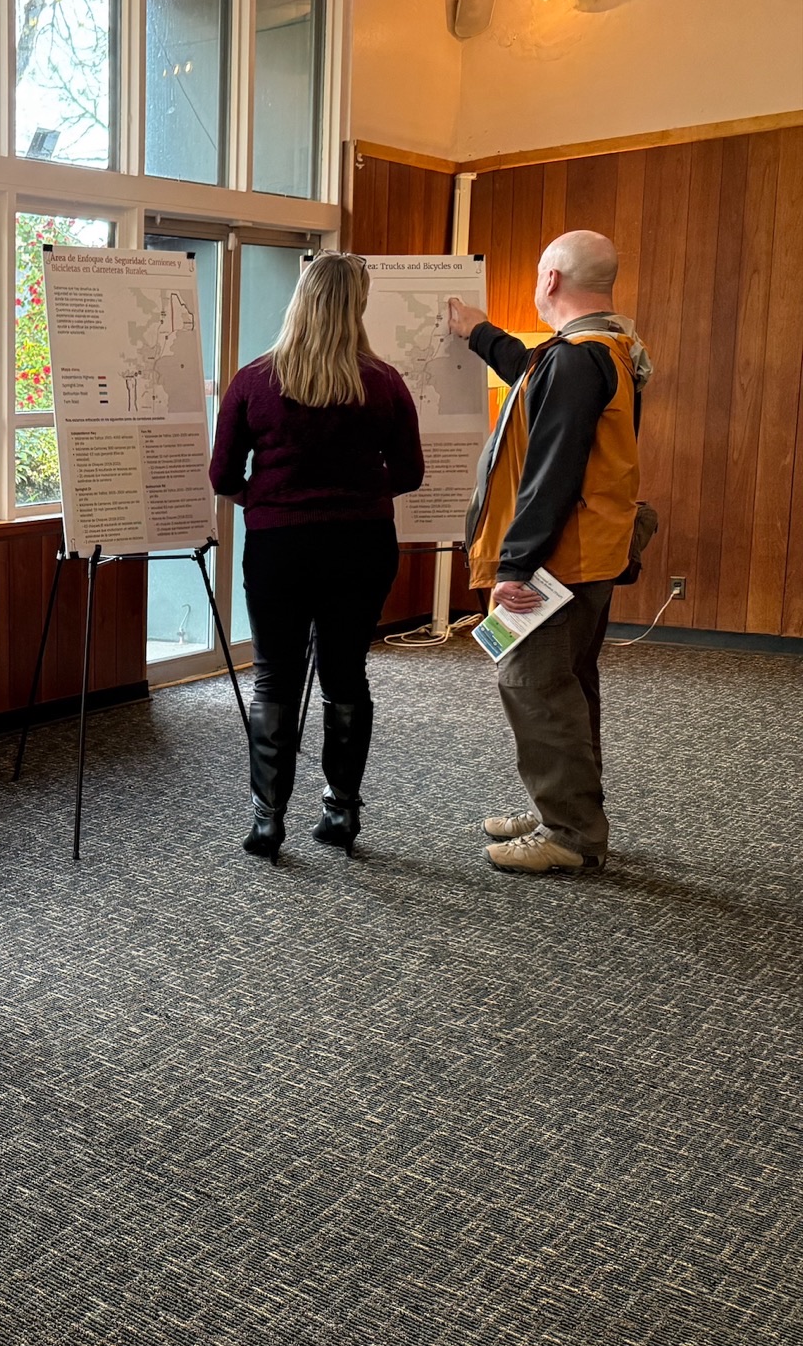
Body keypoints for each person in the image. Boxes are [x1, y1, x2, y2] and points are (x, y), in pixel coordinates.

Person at [209, 252, 423, 861]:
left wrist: (267, 501)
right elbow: (409, 474)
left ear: (300, 299)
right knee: (346, 676)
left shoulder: (254, 380)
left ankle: (266, 821)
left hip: (279, 547)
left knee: (275, 677)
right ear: (356, 305)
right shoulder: (383, 384)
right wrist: (356, 492)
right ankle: (340, 813)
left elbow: (222, 474)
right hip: (361, 545)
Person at [448, 229, 648, 874]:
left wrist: (516, 566)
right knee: (567, 684)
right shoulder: (604, 349)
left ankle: (570, 834)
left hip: (556, 564)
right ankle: (565, 808)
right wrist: (481, 334)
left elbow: (553, 470)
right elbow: (535, 380)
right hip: (589, 555)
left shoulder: (576, 360)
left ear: (553, 279)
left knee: (534, 685)